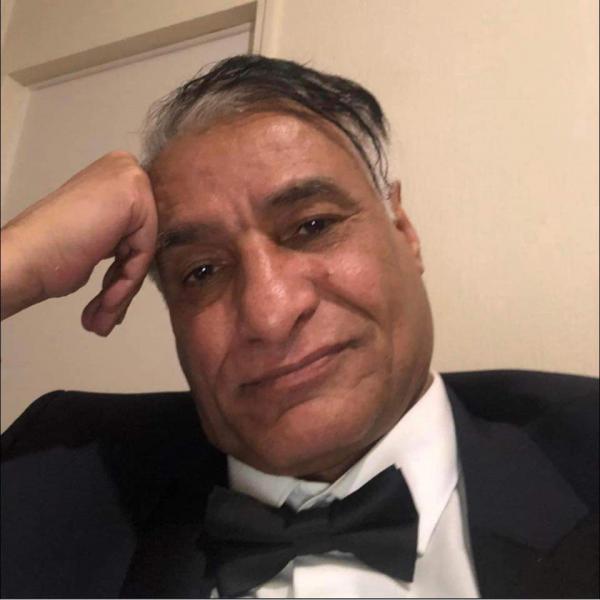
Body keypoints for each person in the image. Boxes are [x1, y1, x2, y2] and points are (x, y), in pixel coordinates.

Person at [1, 55, 597, 599]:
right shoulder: (55, 477)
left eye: (312, 226)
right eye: (202, 271)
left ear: (404, 231)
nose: (271, 313)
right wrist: (17, 259)